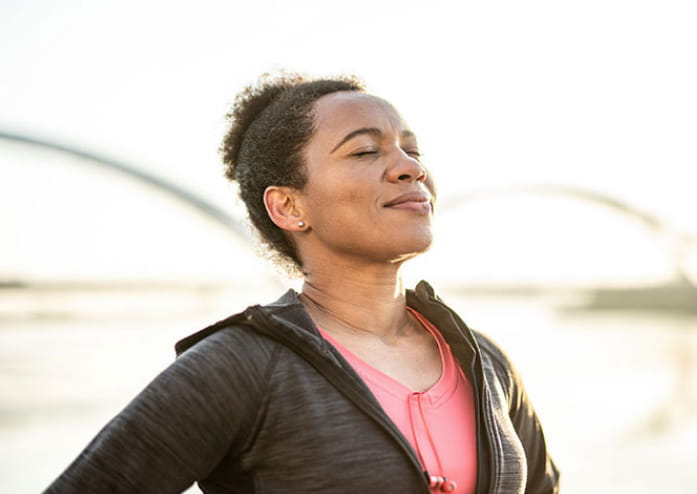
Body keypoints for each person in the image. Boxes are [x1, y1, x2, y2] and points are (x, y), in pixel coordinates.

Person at [45, 73, 560, 494]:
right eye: (365, 152)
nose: (410, 169)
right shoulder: (239, 367)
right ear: (289, 207)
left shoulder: (484, 361)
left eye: (412, 149)